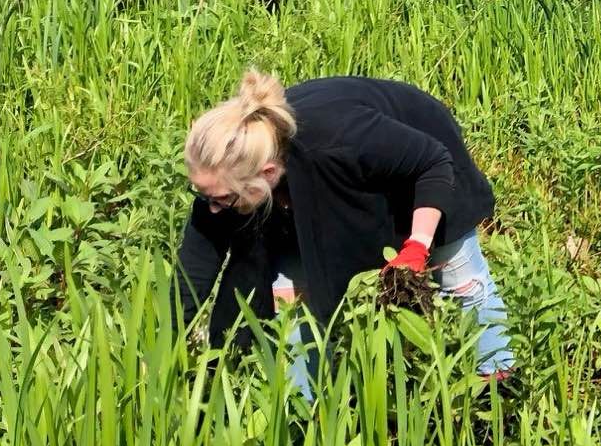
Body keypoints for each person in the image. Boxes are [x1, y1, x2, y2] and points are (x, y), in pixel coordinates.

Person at [175, 70, 514, 391]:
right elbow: (196, 266)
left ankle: (498, 389)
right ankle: (301, 414)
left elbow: (433, 163)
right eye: (205, 196)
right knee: (289, 300)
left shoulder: (340, 140)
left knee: (462, 279)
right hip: (323, 187)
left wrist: (417, 246)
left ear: (265, 173)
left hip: (427, 170)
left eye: (221, 199)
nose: (213, 208)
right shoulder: (226, 180)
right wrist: (165, 342)